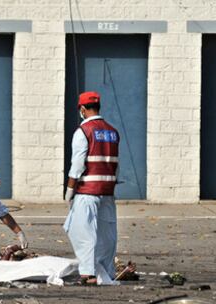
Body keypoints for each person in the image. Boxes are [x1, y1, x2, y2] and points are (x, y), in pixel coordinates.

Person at [63, 91, 120, 285]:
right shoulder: (112, 132)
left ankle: (88, 273)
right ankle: (106, 271)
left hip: (87, 191)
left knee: (81, 232)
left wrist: (70, 190)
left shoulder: (83, 131)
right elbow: (116, 165)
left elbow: (77, 164)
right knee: (107, 233)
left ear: (82, 109)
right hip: (107, 191)